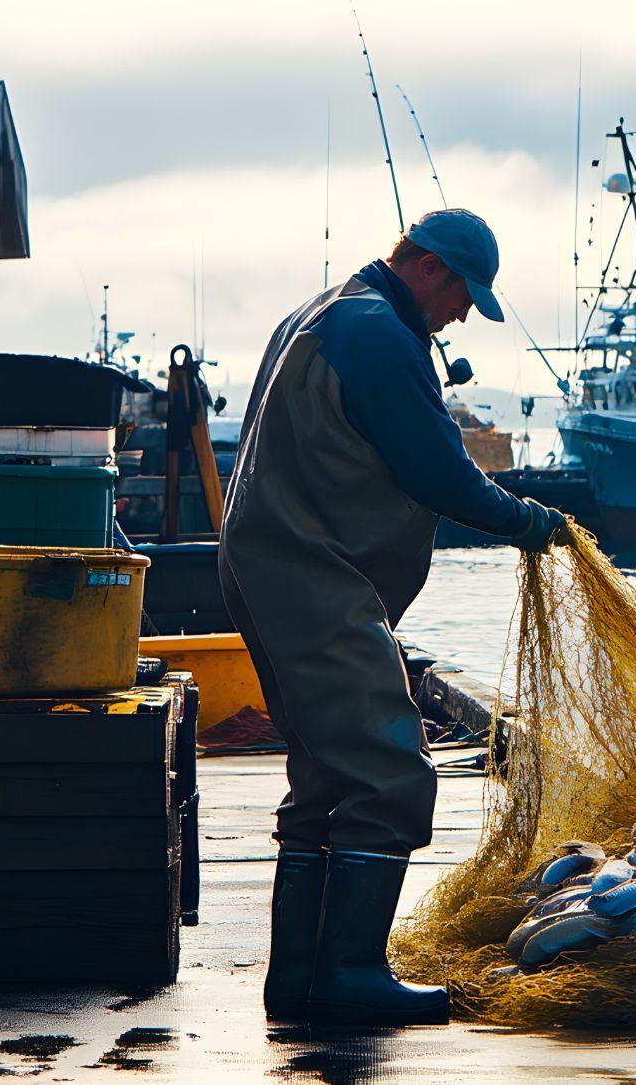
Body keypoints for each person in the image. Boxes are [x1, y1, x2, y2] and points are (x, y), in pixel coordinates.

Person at [219, 209, 567, 1027]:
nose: (454, 320)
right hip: (309, 572)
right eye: (460, 300)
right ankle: (349, 976)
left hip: (267, 560)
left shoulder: (323, 311)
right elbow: (438, 472)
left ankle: (297, 980)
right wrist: (526, 523)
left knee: (325, 776)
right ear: (432, 269)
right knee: (389, 767)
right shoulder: (379, 333)